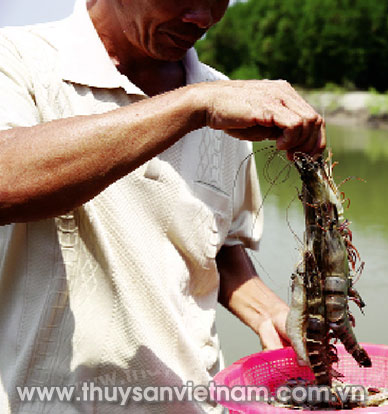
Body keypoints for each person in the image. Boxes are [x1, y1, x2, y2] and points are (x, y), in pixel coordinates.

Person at [0, 0, 325, 412]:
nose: (203, 18)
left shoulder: (221, 99)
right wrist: (193, 107)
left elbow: (214, 243)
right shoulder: (17, 58)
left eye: (218, 0)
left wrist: (266, 311)